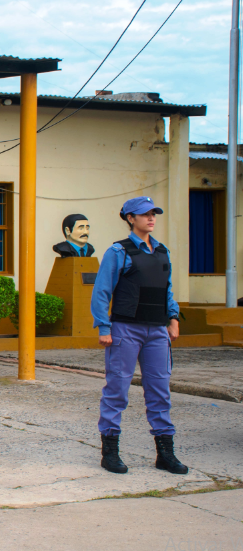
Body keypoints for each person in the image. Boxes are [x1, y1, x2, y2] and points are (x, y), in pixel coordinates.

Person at [90, 196, 187, 475]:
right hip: (126, 330)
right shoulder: (118, 251)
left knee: (160, 392)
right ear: (130, 218)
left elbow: (167, 289)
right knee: (117, 390)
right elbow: (102, 291)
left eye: (153, 213)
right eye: (145, 214)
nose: (151, 218)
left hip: (157, 331)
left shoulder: (162, 251)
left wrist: (173, 318)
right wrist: (104, 327)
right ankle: (110, 452)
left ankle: (165, 454)